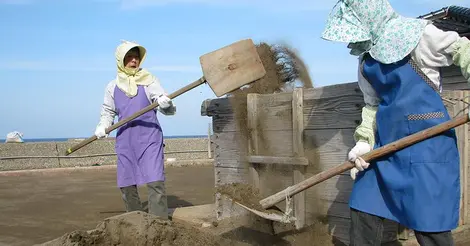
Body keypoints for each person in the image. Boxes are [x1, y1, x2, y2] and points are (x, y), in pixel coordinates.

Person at [321, 0, 470, 245]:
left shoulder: (419, 37)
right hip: (387, 151)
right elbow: (372, 104)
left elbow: (462, 49)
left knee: (430, 226)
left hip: (427, 149)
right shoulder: (366, 60)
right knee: (363, 207)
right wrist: (364, 143)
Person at [94, 40, 176, 220]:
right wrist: (103, 126)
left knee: (155, 181)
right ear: (121, 60)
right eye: (129, 57)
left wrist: (164, 103)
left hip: (149, 138)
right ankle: (135, 221)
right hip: (125, 140)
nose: (133, 61)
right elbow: (108, 111)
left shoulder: (149, 81)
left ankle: (159, 223)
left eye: (136, 57)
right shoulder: (112, 86)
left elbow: (163, 103)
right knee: (127, 183)